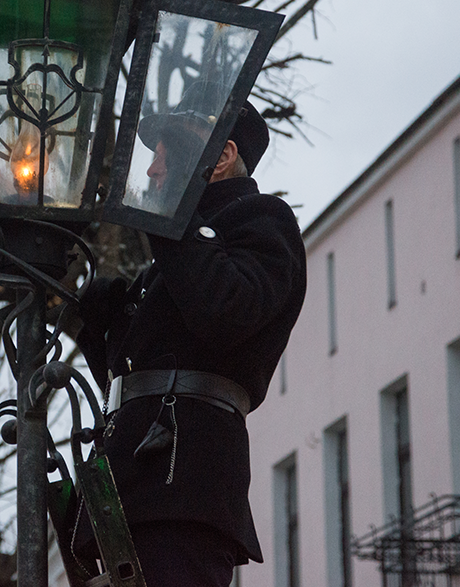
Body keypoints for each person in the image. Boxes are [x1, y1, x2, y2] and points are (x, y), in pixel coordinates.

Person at [73, 93, 307, 587]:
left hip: (183, 483)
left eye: (165, 154)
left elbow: (225, 311)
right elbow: (131, 371)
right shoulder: (182, 254)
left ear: (223, 156)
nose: (153, 171)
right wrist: (92, 311)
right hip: (134, 483)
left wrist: (173, 225)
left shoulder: (262, 220)